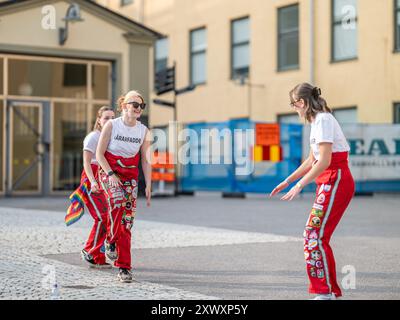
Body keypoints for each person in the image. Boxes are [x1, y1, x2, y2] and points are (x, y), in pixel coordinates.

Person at [270, 83, 355, 300]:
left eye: (294, 104)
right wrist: (288, 181)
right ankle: (325, 291)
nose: (294, 109)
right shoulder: (316, 121)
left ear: (302, 102)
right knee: (313, 235)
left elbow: (324, 161)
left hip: (335, 180)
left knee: (313, 235)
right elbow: (311, 159)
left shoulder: (324, 120)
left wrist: (299, 186)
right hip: (328, 181)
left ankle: (324, 293)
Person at [96, 90, 152, 283]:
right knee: (117, 202)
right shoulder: (112, 125)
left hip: (130, 177)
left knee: (127, 223)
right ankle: (110, 240)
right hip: (109, 171)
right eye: (134, 104)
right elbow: (99, 154)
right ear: (124, 106)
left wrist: (149, 185)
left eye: (141, 106)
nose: (138, 108)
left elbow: (145, 160)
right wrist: (110, 174)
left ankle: (124, 268)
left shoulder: (143, 131)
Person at [65, 106, 115, 268]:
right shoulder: (93, 137)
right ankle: (89, 250)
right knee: (102, 216)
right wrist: (92, 182)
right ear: (99, 120)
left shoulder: (111, 137)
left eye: (113, 117)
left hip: (104, 178)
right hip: (92, 179)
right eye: (106, 117)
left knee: (109, 217)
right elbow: (87, 162)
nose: (110, 120)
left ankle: (97, 256)